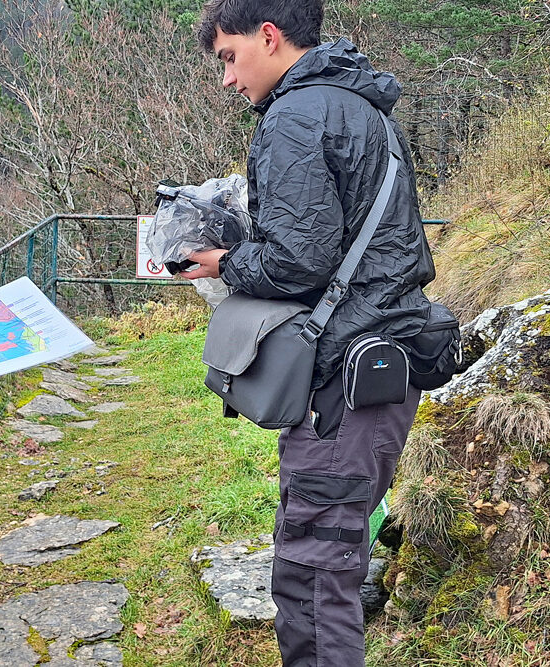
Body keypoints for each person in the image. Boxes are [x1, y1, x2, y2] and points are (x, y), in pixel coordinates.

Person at [187, 2, 436, 665]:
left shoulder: (297, 118)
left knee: (314, 580)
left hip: (344, 386)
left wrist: (221, 262)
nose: (228, 80)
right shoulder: (361, 107)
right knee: (320, 564)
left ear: (268, 36)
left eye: (229, 58)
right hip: (376, 366)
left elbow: (297, 260)